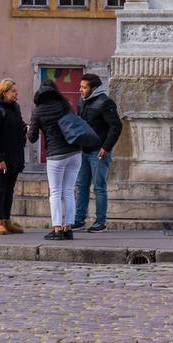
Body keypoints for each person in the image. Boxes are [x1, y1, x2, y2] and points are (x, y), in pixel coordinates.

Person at [25, 79, 79, 241]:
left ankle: (56, 229)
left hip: (56, 155)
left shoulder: (38, 111)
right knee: (69, 191)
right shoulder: (65, 105)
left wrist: (29, 128)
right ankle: (68, 228)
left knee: (55, 192)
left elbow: (33, 138)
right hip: (75, 152)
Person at [71, 72, 123, 233]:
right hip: (84, 150)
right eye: (80, 86)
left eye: (84, 87)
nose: (80, 90)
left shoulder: (105, 103)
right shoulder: (82, 101)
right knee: (81, 185)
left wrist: (106, 147)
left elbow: (116, 126)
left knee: (99, 187)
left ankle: (100, 222)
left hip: (99, 152)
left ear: (93, 88)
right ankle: (79, 220)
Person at [0, 79, 26, 236]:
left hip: (15, 155)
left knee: (9, 190)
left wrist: (26, 128)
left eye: (16, 91)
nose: (16, 94)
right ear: (4, 93)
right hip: (2, 157)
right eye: (13, 91)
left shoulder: (15, 107)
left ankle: (7, 221)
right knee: (0, 189)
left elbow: (19, 124)